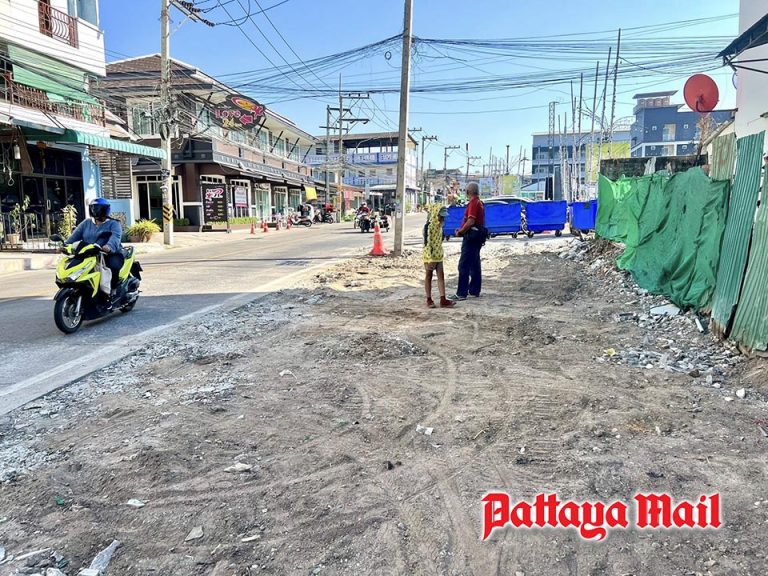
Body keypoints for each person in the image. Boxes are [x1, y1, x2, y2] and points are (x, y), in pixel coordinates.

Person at [65, 198, 124, 308]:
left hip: (110, 253)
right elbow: (74, 237)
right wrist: (64, 245)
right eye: (93, 208)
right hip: (90, 253)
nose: (96, 211)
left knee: (113, 266)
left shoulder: (114, 223)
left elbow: (115, 237)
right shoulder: (86, 223)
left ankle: (112, 292)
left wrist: (109, 247)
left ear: (105, 210)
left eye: (98, 209)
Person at [450, 182, 486, 301]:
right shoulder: (479, 202)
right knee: (475, 264)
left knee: (464, 265)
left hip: (471, 238)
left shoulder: (473, 203)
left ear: (468, 192)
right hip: (477, 237)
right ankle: (474, 289)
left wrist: (460, 231)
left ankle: (461, 293)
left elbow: (470, 221)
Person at [423, 205, 455, 309]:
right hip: (430, 256)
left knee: (441, 276)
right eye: (441, 216)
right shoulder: (428, 227)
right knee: (429, 276)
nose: (443, 218)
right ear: (435, 214)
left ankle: (443, 299)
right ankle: (429, 299)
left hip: (439, 255)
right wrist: (430, 259)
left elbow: (440, 241)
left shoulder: (440, 226)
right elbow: (427, 244)